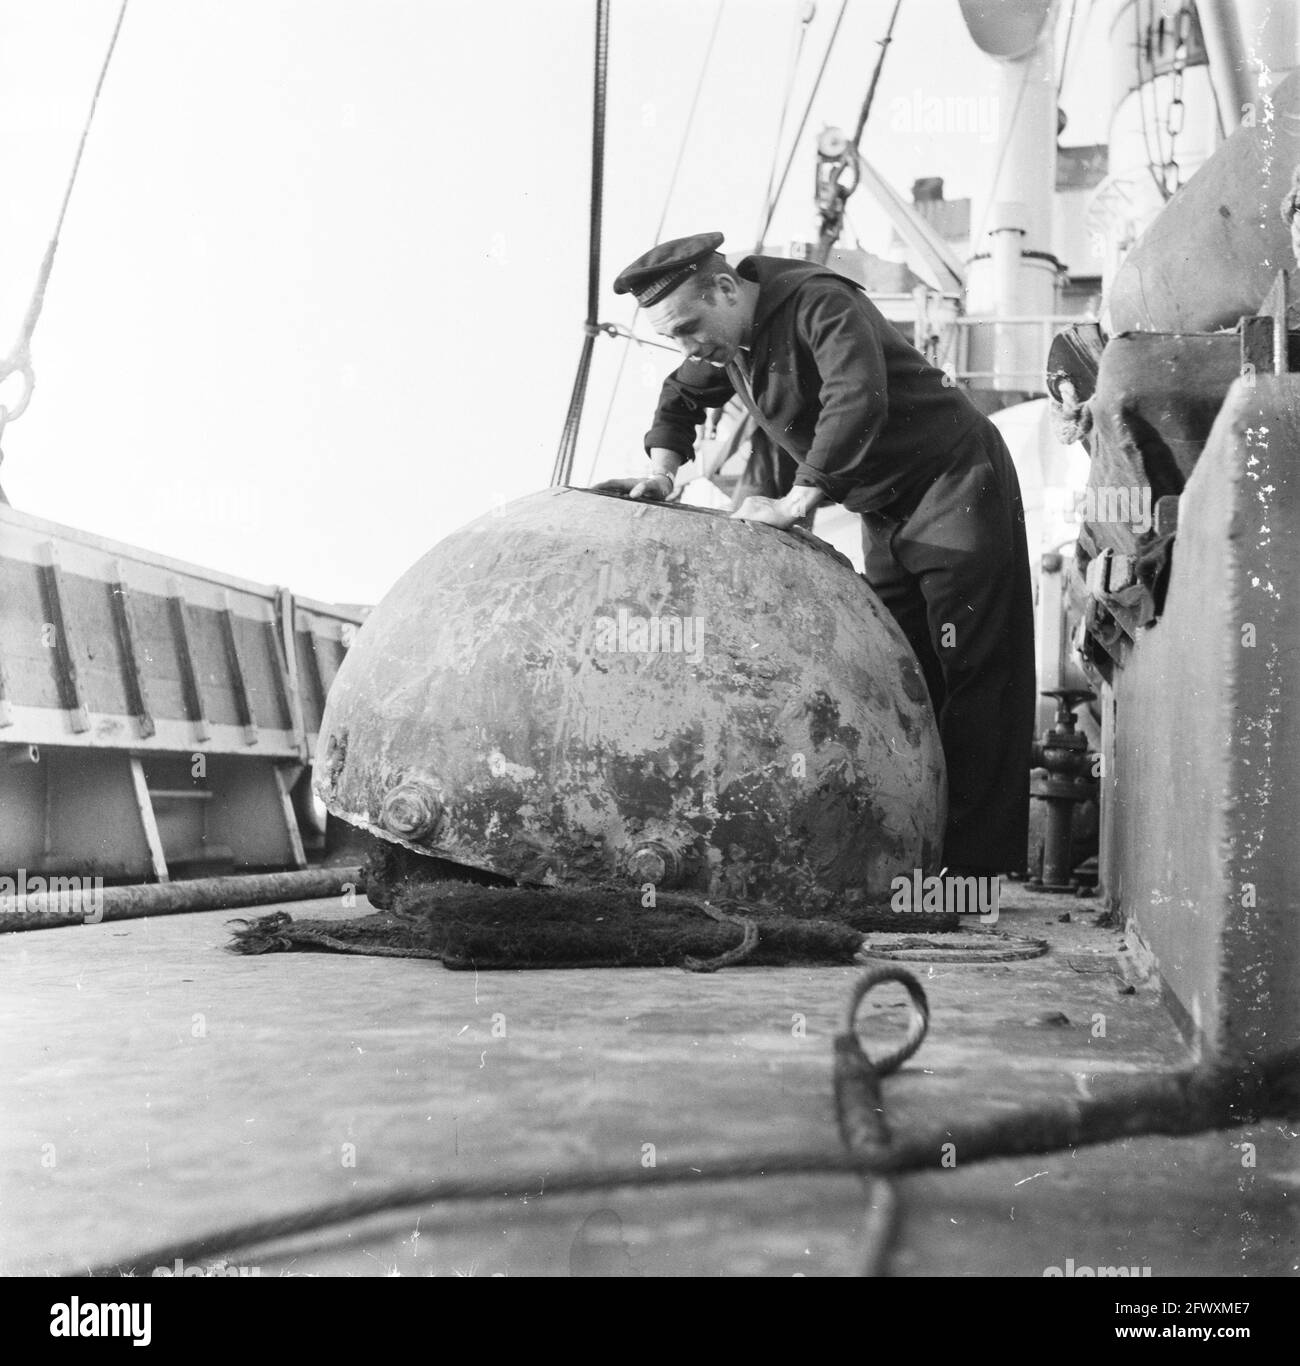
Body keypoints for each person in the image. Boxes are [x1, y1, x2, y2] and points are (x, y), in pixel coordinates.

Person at [599, 231, 1035, 878]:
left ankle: (973, 876)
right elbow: (680, 396)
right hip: (883, 507)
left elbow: (856, 396)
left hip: (952, 482)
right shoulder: (727, 338)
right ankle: (914, 854)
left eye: (690, 329)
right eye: (677, 338)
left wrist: (797, 500)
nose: (690, 346)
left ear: (725, 288)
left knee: (976, 673)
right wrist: (663, 472)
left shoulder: (818, 303)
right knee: (905, 676)